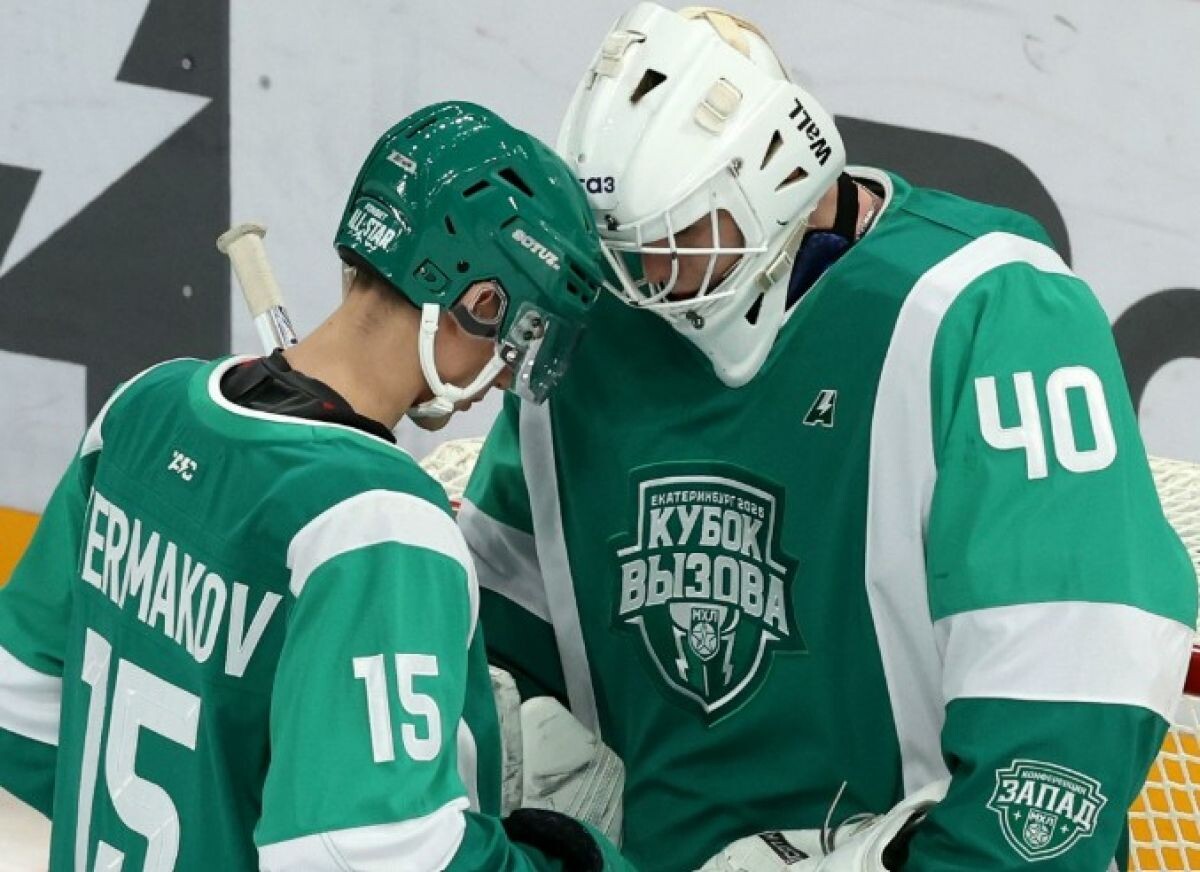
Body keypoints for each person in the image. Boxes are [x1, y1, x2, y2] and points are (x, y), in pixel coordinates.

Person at [458, 6, 1198, 871]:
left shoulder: (992, 309)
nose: (645, 275)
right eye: (620, 242)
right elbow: (493, 658)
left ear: (779, 175)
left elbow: (1070, 706)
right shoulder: (591, 326)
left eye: (677, 234)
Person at [0, 100, 632, 871]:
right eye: (521, 333)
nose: (505, 376)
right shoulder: (380, 528)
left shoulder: (138, 410)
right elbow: (364, 856)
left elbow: (19, 710)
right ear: (481, 303)